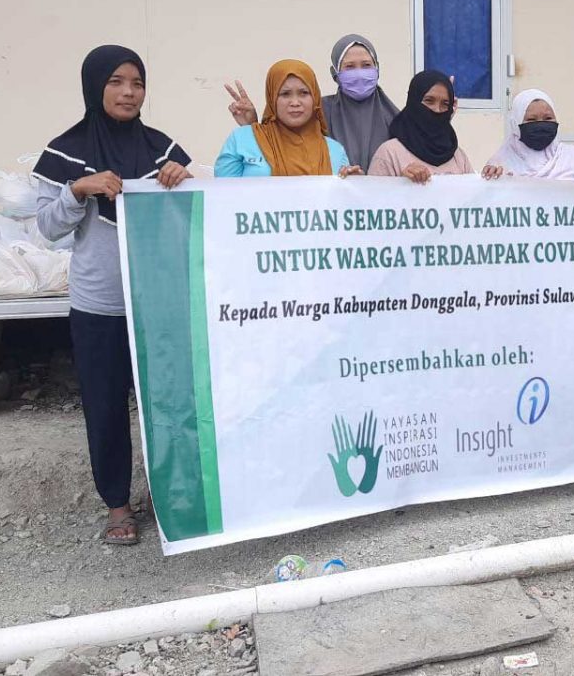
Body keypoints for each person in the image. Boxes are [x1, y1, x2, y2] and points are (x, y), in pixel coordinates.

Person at [34, 45, 192, 546]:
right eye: (117, 82)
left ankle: (175, 498)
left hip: (159, 303)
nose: (129, 93)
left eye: (137, 83)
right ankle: (118, 505)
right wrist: (77, 190)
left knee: (169, 406)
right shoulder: (65, 152)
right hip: (99, 305)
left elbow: (191, 218)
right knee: (105, 408)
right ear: (94, 86)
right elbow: (47, 229)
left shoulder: (163, 150)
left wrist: (183, 182)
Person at [224, 34, 397, 170]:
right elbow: (282, 142)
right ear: (335, 73)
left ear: (377, 68)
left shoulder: (398, 119)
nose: (359, 73)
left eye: (366, 65)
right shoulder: (317, 111)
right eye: (349, 67)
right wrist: (252, 125)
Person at [216, 59, 355, 178]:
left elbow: (341, 198)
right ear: (272, 99)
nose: (295, 102)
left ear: (315, 98)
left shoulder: (335, 150)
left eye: (304, 93)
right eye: (285, 94)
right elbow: (223, 193)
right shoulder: (241, 139)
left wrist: (355, 184)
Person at [368, 70, 473, 182]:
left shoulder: (458, 156)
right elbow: (375, 192)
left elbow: (473, 191)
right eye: (429, 101)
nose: (437, 110)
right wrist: (402, 182)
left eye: (445, 104)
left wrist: (487, 178)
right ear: (414, 101)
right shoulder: (389, 154)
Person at [481, 89, 574, 181]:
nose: (541, 124)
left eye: (548, 118)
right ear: (516, 125)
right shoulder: (500, 164)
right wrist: (492, 178)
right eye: (531, 119)